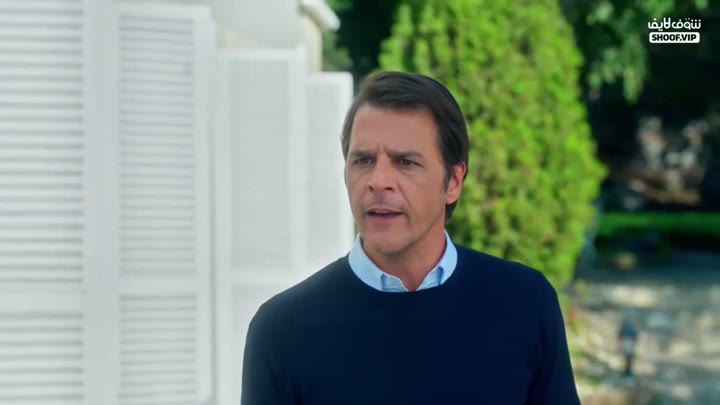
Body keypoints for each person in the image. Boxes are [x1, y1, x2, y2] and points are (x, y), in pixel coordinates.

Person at [241, 71, 581, 404]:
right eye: (363, 160)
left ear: (453, 182)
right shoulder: (282, 331)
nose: (378, 181)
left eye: (405, 162)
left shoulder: (525, 304)